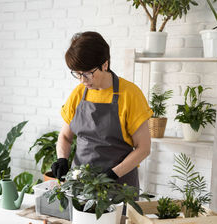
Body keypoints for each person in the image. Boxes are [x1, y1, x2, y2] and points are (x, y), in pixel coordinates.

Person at [51, 31, 153, 191]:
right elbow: (65, 136)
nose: (82, 80)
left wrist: (111, 175)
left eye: (87, 74)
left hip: (118, 185)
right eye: (77, 74)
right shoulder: (78, 93)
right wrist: (62, 159)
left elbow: (143, 148)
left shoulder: (130, 95)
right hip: (81, 186)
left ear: (104, 64)